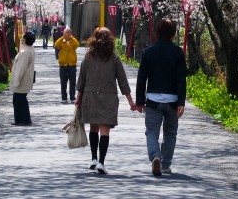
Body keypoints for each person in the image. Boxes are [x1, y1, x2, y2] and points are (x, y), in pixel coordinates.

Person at [75, 27, 135, 174]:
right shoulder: (114, 58)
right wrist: (131, 101)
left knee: (93, 127)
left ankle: (94, 158)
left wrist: (78, 97)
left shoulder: (88, 57)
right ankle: (102, 162)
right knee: (105, 130)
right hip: (108, 97)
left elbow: (81, 79)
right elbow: (123, 82)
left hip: (90, 96)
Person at [135, 18, 186, 176]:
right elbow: (181, 79)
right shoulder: (178, 52)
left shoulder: (148, 52)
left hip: (153, 99)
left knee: (151, 131)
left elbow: (142, 78)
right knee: (170, 132)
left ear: (157, 32)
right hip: (172, 100)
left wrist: (139, 101)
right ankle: (165, 164)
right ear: (173, 33)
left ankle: (155, 156)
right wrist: (181, 102)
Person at [9, 32, 36, 126]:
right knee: (20, 100)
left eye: (23, 38)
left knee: (19, 100)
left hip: (22, 80)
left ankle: (24, 120)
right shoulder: (29, 49)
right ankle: (21, 120)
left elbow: (21, 68)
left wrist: (17, 80)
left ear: (25, 40)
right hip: (26, 78)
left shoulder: (25, 52)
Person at [54, 27, 79, 103]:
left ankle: (72, 97)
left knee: (72, 81)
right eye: (66, 33)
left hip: (72, 64)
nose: (67, 34)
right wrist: (62, 38)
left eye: (69, 33)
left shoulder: (73, 41)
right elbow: (56, 45)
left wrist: (71, 37)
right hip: (63, 64)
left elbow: (77, 45)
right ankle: (64, 98)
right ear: (63, 33)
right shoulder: (62, 41)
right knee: (63, 82)